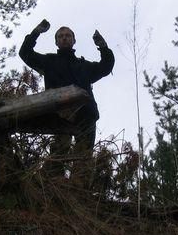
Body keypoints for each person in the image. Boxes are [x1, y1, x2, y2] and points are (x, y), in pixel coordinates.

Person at [19, 19, 115, 182]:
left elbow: (106, 66)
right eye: (61, 36)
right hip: (59, 115)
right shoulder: (49, 61)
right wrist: (36, 32)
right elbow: (25, 53)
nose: (64, 38)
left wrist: (103, 47)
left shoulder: (84, 66)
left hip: (85, 114)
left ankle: (79, 190)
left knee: (84, 157)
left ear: (74, 40)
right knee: (59, 153)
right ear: (56, 42)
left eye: (68, 35)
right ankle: (54, 188)